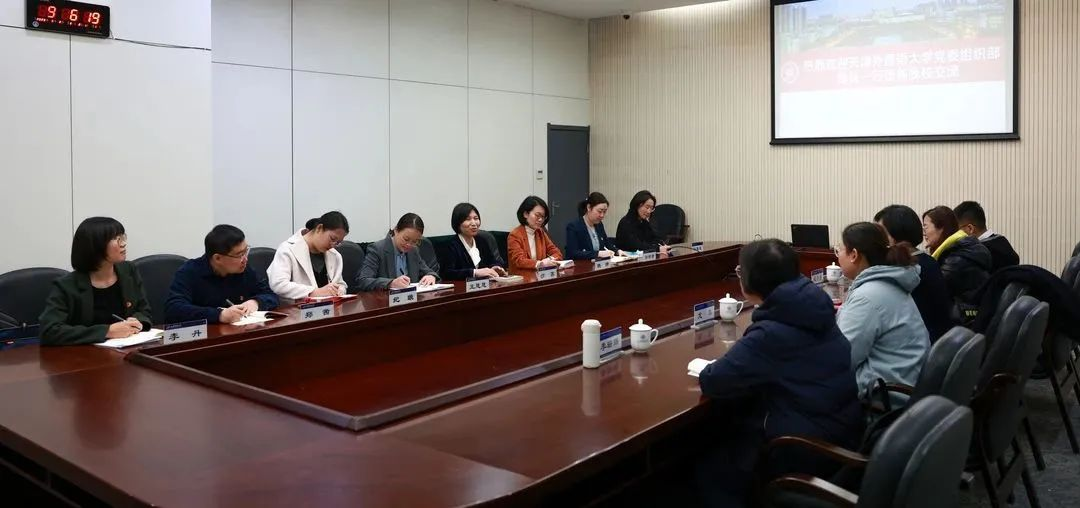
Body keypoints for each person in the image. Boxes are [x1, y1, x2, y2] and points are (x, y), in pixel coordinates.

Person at [696, 239, 863, 507]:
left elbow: (713, 380)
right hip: (844, 429)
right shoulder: (812, 306)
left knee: (708, 469)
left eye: (740, 272)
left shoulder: (772, 331)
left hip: (805, 448)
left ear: (750, 282)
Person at [835, 222, 929, 398]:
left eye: (839, 250)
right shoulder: (887, 283)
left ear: (854, 255)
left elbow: (840, 359)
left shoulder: (867, 296)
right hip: (904, 380)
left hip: (885, 396)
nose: (838, 256)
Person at [39, 217, 153, 346]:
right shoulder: (67, 285)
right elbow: (49, 331)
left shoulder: (128, 270)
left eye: (123, 237)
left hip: (127, 348)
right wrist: (106, 331)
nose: (123, 244)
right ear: (96, 246)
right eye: (117, 239)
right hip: (84, 354)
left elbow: (144, 310)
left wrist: (138, 321)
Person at [164, 225, 279, 324]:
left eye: (246, 251)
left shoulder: (243, 269)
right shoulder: (190, 272)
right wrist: (219, 315)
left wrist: (255, 302)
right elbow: (174, 310)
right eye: (239, 255)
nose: (245, 259)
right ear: (217, 258)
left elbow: (270, 295)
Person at [874, 205, 953, 342]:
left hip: (920, 343)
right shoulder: (927, 261)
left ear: (896, 233)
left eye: (880, 233)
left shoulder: (906, 268)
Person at [268, 211, 350, 300]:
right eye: (332, 239)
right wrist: (314, 292)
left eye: (338, 243)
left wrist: (339, 290)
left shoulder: (335, 255)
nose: (333, 245)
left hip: (330, 307)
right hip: (296, 307)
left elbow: (340, 284)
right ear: (319, 228)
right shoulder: (287, 249)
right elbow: (279, 284)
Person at [923, 206, 992, 308]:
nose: (923, 233)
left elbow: (933, 289)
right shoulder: (959, 249)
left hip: (965, 314)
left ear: (941, 228)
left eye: (925, 227)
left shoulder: (957, 257)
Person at [356, 213, 440, 291]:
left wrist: (431, 276)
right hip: (385, 299)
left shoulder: (414, 251)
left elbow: (428, 271)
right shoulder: (377, 249)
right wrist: (391, 283)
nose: (409, 245)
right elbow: (363, 280)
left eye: (414, 242)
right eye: (406, 239)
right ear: (396, 230)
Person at [440, 203, 508, 281]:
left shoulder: (482, 241)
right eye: (468, 219)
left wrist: (495, 267)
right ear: (458, 223)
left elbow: (493, 261)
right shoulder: (450, 245)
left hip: (485, 285)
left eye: (476, 218)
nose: (474, 223)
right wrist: (474, 272)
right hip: (463, 286)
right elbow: (447, 273)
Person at [954, 200, 1020, 273]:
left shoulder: (977, 253)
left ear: (970, 228)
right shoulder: (1002, 241)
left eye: (956, 230)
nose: (955, 235)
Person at [507, 196, 563, 270]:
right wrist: (540, 264)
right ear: (526, 214)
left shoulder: (540, 233)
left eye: (543, 217)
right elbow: (519, 261)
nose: (540, 220)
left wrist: (548, 260)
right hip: (522, 275)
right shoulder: (515, 235)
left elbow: (557, 253)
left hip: (539, 274)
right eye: (537, 215)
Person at [565, 192, 621, 260]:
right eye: (599, 211)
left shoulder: (599, 225)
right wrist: (597, 254)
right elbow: (573, 253)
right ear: (589, 207)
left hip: (598, 264)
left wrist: (617, 251)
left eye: (604, 212)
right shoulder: (574, 226)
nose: (602, 215)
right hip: (581, 265)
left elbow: (607, 243)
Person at [615, 190, 669, 255]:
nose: (649, 211)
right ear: (637, 205)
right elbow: (637, 246)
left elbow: (653, 238)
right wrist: (657, 249)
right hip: (628, 258)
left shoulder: (644, 222)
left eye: (651, 208)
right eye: (647, 207)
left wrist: (662, 244)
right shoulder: (626, 223)